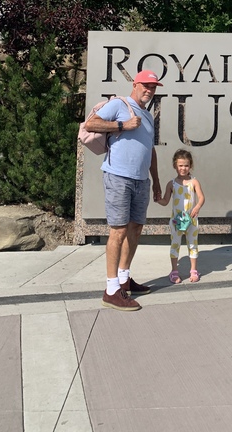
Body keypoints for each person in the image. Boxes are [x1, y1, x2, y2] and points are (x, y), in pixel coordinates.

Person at [84, 69, 163, 312]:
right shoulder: (119, 104)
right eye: (146, 86)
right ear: (135, 84)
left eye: (154, 87)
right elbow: (90, 124)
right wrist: (123, 125)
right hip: (118, 176)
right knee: (118, 231)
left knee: (135, 229)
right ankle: (110, 290)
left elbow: (150, 151)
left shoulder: (148, 117)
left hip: (141, 181)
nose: (150, 90)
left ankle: (124, 278)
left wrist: (157, 183)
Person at [157, 149, 205, 283]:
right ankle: (174, 271)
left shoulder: (194, 182)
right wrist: (157, 199)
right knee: (175, 244)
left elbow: (201, 197)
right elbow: (165, 201)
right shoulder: (171, 184)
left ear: (190, 166)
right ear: (175, 166)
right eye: (180, 165)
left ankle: (193, 270)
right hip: (176, 221)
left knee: (193, 244)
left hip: (192, 220)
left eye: (186, 165)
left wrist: (197, 206)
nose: (183, 168)